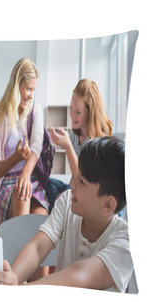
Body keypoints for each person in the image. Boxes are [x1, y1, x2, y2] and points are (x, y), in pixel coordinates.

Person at [0, 136, 134, 293]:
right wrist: (13, 278)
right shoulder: (68, 202)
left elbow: (79, 275)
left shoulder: (126, 243)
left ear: (108, 204)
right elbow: (38, 247)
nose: (72, 183)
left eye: (82, 182)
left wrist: (21, 290)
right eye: (76, 175)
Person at [0, 58, 49, 228]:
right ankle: (14, 254)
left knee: (41, 222)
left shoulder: (35, 110)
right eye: (28, 89)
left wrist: (25, 175)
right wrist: (16, 157)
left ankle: (23, 253)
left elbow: (36, 146)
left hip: (30, 180)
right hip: (7, 185)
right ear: (17, 85)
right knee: (22, 195)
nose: (31, 95)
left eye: (33, 90)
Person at [46, 79, 113, 209]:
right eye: (71, 108)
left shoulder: (99, 141)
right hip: (78, 186)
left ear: (90, 112)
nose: (72, 114)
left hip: (94, 193)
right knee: (47, 184)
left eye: (78, 112)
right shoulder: (74, 134)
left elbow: (82, 179)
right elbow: (74, 179)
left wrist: (67, 146)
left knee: (62, 200)